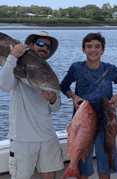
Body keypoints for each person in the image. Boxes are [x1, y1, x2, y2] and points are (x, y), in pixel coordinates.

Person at [60, 32, 117, 179]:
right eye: (89, 47)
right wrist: (74, 97)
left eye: (97, 47)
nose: (93, 50)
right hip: (81, 123)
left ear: (103, 50)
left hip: (104, 124)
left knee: (104, 165)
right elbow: (63, 86)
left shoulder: (110, 69)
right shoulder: (76, 68)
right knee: (82, 166)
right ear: (83, 49)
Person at [0, 31, 64, 179]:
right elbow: (4, 86)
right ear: (30, 45)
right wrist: (12, 57)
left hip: (48, 136)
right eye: (40, 44)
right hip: (22, 138)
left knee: (50, 175)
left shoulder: (52, 72)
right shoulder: (15, 65)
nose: (44, 48)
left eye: (48, 46)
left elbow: (56, 108)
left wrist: (53, 99)